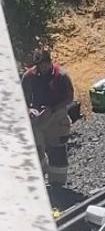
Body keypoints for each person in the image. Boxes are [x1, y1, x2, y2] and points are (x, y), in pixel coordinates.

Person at [21, 49, 74, 188]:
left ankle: (57, 185)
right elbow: (22, 98)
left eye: (44, 63)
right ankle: (39, 180)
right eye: (39, 64)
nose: (42, 67)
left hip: (56, 118)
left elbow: (69, 98)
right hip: (36, 119)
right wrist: (29, 110)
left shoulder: (61, 76)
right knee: (35, 149)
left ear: (49, 61)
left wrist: (53, 109)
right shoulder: (28, 76)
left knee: (57, 149)